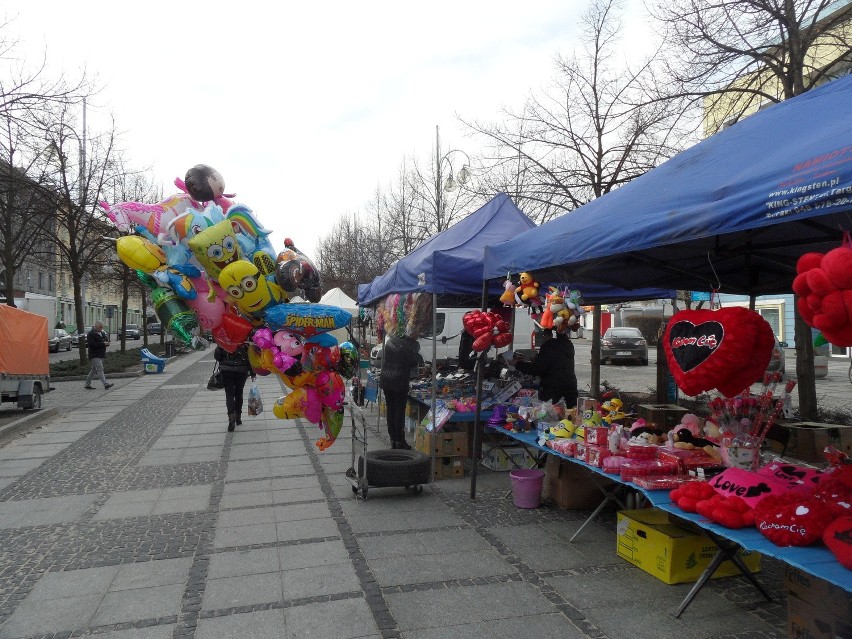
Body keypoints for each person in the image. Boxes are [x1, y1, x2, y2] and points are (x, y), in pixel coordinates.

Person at [512, 329, 578, 406]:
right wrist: (537, 359)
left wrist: (517, 364)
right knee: (570, 414)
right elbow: (556, 361)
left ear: (549, 335)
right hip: (570, 388)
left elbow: (536, 369)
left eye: (544, 336)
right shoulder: (568, 344)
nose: (543, 339)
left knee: (553, 415)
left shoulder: (549, 346)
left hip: (554, 391)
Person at [379, 334, 420, 449]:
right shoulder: (410, 345)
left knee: (391, 410)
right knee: (399, 411)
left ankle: (393, 439)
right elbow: (413, 362)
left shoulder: (390, 340)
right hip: (399, 380)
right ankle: (400, 440)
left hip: (387, 378)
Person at [214, 343, 256, 432]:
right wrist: (253, 373)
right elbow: (250, 359)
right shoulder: (244, 343)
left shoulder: (224, 341)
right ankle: (238, 417)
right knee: (239, 393)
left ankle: (231, 418)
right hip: (241, 371)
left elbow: (217, 357)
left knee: (229, 394)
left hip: (226, 370)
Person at [84, 321, 113, 390]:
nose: (101, 328)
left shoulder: (102, 333)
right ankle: (105, 384)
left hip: (101, 354)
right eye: (100, 327)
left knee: (94, 370)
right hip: (94, 354)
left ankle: (87, 384)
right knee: (100, 368)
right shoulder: (91, 334)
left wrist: (107, 342)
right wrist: (103, 344)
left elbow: (105, 340)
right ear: (95, 326)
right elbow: (91, 345)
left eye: (102, 327)